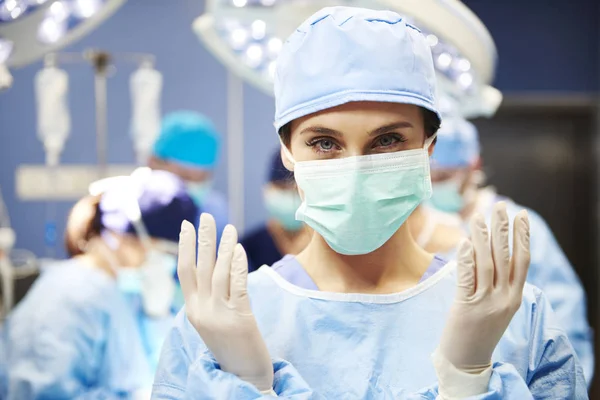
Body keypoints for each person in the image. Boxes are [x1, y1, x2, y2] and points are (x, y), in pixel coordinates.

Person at [152, 7, 587, 398]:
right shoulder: (215, 330)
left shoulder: (515, 320)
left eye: (388, 140)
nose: (356, 169)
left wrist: (470, 377)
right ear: (287, 152)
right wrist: (245, 385)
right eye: (324, 142)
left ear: (428, 149)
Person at [425, 114, 595, 384]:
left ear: (473, 166)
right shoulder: (414, 228)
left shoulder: (518, 226)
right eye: (428, 177)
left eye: (444, 176)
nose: (434, 186)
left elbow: (565, 326)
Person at [2, 169, 197, 399]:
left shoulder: (121, 294)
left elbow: (153, 374)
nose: (167, 262)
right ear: (121, 238)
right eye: (162, 251)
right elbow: (45, 393)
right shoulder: (69, 295)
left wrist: (156, 317)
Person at [149, 110, 228, 241]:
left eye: (201, 179)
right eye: (184, 177)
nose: (192, 186)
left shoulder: (214, 213)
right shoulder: (123, 210)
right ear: (153, 162)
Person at [240, 149, 311, 272]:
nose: (290, 196)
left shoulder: (327, 246)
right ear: (267, 190)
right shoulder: (248, 248)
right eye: (282, 188)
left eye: (295, 190)